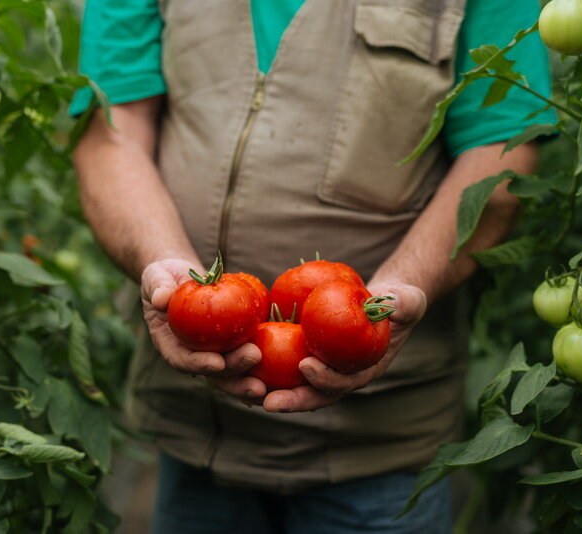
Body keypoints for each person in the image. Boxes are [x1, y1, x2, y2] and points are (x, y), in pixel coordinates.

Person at [72, 0, 556, 532]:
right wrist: (163, 264)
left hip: (382, 443)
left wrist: (399, 289)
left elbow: (501, 153)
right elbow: (111, 129)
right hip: (194, 436)